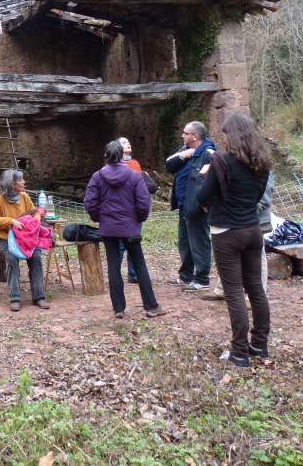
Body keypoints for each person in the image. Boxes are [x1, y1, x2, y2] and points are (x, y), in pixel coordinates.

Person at [195, 113, 273, 367]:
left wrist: (203, 176)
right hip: (253, 230)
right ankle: (259, 344)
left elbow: (202, 197)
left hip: (227, 233)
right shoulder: (261, 162)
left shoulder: (220, 161)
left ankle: (239, 351)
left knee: (234, 292)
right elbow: (257, 197)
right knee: (256, 289)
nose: (224, 138)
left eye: (226, 133)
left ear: (233, 135)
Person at [84, 141, 167, 319]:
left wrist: (99, 217)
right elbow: (144, 202)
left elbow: (89, 203)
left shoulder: (97, 177)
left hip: (109, 229)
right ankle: (151, 306)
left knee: (113, 266)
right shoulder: (134, 176)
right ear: (122, 156)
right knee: (139, 265)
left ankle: (119, 309)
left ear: (105, 156)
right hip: (130, 227)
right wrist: (138, 219)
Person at [203, 172, 276, 301]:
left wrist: (242, 212)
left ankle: (256, 296)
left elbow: (266, 200)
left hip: (255, 221)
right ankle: (222, 289)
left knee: (259, 257)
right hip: (237, 221)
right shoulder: (238, 167)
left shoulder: (261, 169)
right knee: (230, 254)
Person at [0, 169, 50, 312]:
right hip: (7, 238)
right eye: (21, 180)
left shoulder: (24, 196)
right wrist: (12, 221)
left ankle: (39, 296)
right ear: (12, 183)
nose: (24, 182)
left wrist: (34, 222)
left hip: (26, 238)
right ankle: (14, 298)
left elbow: (35, 213)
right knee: (12, 259)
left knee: (36, 257)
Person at [165, 121, 216, 291]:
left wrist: (205, 203)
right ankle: (186, 275)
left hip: (198, 208)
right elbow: (169, 165)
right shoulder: (184, 150)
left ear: (195, 136)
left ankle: (202, 279)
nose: (182, 135)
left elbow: (215, 180)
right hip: (184, 205)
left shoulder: (208, 154)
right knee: (185, 242)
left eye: (185, 133)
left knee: (199, 242)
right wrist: (182, 156)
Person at [117, 136, 152, 284]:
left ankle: (133, 274)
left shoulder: (136, 163)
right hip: (123, 209)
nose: (128, 143)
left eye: (128, 141)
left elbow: (142, 186)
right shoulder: (116, 165)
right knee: (120, 244)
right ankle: (115, 274)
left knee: (134, 241)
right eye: (124, 142)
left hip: (136, 209)